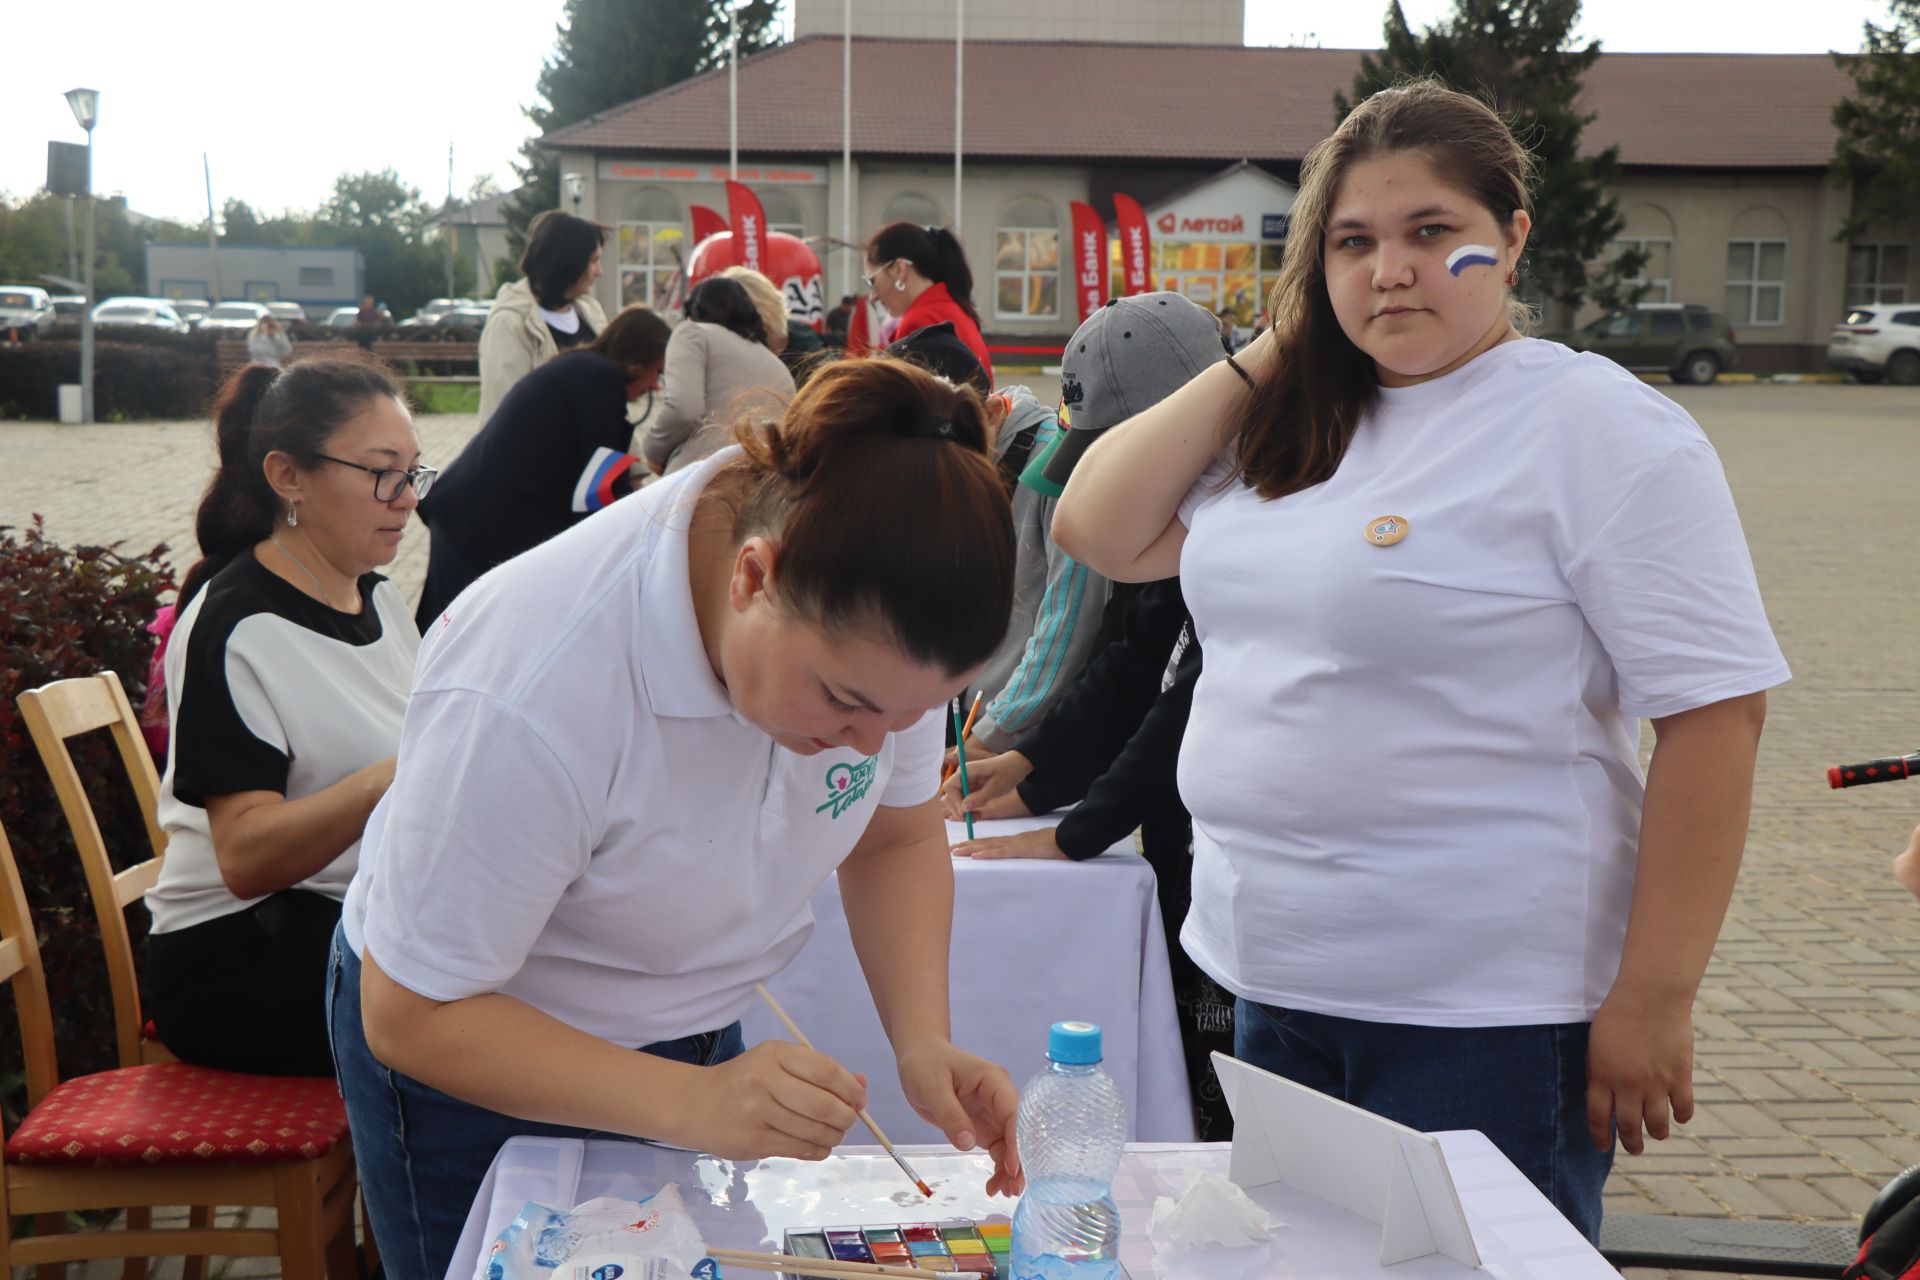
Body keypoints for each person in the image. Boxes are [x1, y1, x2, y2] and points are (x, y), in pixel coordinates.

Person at [1051, 78, 1791, 1242]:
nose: (1389, 269)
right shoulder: (1290, 429)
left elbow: (1716, 714)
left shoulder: (1594, 427)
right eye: (1352, 243)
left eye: (1429, 234)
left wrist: (1655, 995)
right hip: (1276, 987)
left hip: (1486, 1016)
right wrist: (1284, 342)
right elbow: (1095, 524)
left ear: (1511, 238)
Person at [328, 357, 1027, 1280]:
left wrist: (921, 1038)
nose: (868, 743)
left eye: (904, 721)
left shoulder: (881, 631)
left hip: (694, 1038)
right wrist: (696, 1103)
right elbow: (413, 1012)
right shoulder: (533, 684)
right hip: (480, 1054)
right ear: (752, 575)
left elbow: (894, 833)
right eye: (844, 703)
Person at [145, 356, 426, 1077]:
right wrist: (406, 774)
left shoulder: (382, 602)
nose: (405, 500)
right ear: (288, 476)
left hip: (344, 925)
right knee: (488, 1011)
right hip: (242, 957)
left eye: (413, 473)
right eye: (381, 473)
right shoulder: (236, 624)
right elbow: (245, 858)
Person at [413, 305, 672, 629]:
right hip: (481, 524)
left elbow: (595, 477)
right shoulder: (599, 382)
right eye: (657, 371)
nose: (656, 386)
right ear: (637, 361)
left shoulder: (585, 369)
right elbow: (596, 491)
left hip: (471, 513)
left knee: (445, 633)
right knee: (456, 637)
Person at [640, 278, 795, 476]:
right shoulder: (776, 364)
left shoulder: (693, 333)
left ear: (693, 312)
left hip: (702, 482)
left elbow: (684, 410)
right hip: (765, 487)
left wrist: (652, 451)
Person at [478, 209, 611, 423]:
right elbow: (507, 419)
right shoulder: (510, 323)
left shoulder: (592, 312)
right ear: (569, 262)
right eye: (594, 261)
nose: (599, 271)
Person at [864, 223, 991, 384]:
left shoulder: (919, 323)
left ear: (899, 269)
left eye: (871, 281)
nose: (872, 296)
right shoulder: (957, 309)